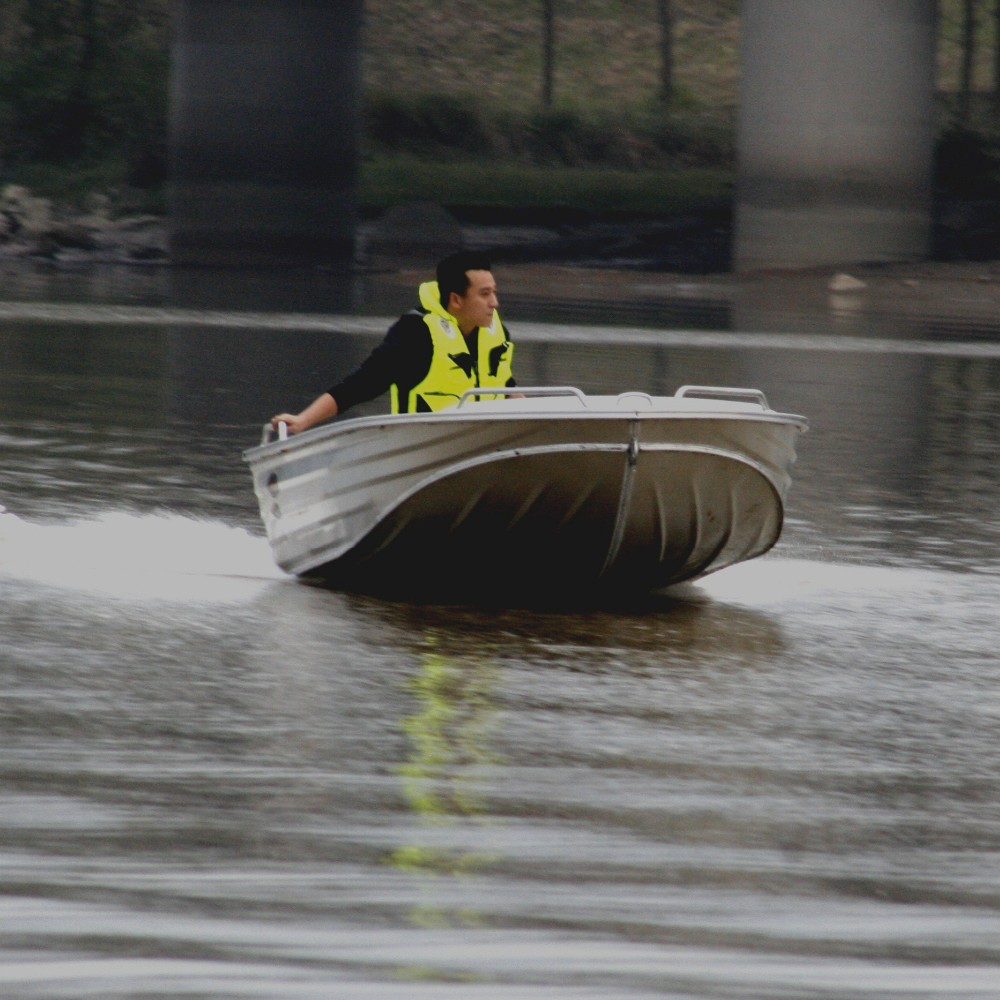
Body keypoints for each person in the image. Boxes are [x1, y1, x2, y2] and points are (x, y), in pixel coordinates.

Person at [270, 251, 517, 434]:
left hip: (485, 443)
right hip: (423, 446)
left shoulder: (496, 333)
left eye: (494, 292)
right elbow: (362, 383)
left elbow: (506, 387)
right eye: (485, 294)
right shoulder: (416, 333)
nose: (494, 303)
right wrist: (303, 420)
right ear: (456, 300)